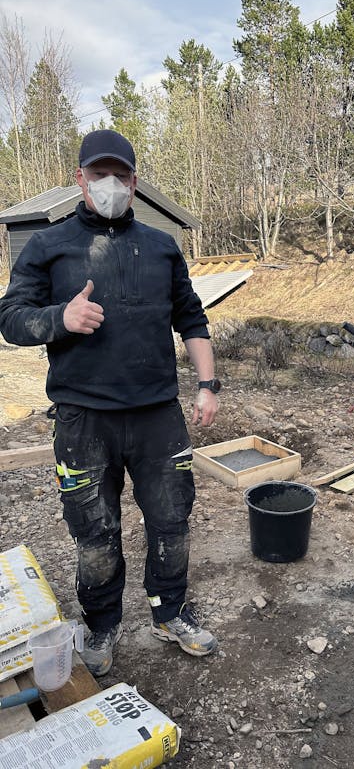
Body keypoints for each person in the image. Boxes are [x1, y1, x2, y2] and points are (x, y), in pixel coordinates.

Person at [0, 129, 222, 677]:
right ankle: (101, 623)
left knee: (172, 520)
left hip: (157, 416)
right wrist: (60, 319)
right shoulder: (47, 247)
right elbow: (9, 318)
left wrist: (207, 384)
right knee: (95, 532)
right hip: (83, 420)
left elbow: (190, 316)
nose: (110, 185)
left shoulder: (162, 245)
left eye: (119, 175)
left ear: (134, 181)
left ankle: (169, 611)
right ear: (79, 179)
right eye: (99, 174)